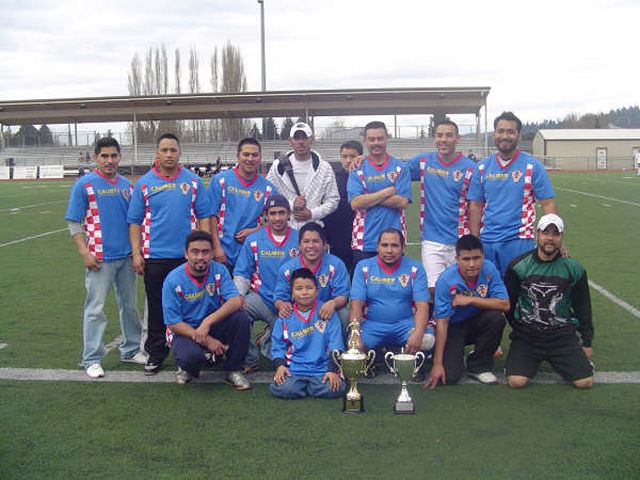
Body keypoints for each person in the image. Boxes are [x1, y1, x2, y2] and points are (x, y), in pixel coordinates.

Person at [127, 133, 212, 375]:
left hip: (187, 258)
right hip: (155, 258)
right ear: (156, 153)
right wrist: (136, 253)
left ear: (180, 152)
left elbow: (204, 215)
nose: (168, 154)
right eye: (164, 150)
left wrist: (204, 251)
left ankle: (196, 348)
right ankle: (156, 353)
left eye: (172, 150)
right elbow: (134, 221)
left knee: (195, 304)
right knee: (157, 308)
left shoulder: (193, 182)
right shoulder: (144, 183)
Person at [65, 137, 145, 378]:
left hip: (126, 258)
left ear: (120, 157)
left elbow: (135, 222)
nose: (109, 161)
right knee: (95, 309)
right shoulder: (84, 185)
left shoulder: (127, 186)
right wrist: (84, 252)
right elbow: (73, 222)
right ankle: (91, 358)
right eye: (104, 156)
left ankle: (130, 350)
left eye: (113, 156)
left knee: (129, 307)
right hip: (99, 259)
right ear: (96, 157)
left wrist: (136, 252)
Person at [503, 214, 594, 389]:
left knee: (585, 382)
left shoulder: (574, 269)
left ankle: (570, 360)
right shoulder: (519, 266)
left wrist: (587, 342)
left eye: (555, 234)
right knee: (517, 381)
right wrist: (519, 327)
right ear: (537, 235)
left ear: (562, 237)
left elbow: (583, 307)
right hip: (528, 335)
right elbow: (509, 304)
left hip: (561, 335)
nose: (550, 238)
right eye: (545, 233)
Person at [468, 111, 558, 276]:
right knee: (490, 293)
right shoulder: (482, 167)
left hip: (519, 241)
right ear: (494, 134)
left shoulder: (532, 166)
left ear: (518, 135)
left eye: (510, 131)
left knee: (517, 294)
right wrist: (474, 240)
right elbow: (475, 205)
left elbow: (548, 203)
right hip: (487, 241)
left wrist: (554, 238)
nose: (505, 136)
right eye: (501, 131)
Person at [162, 231, 251, 389]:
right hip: (185, 331)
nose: (200, 257)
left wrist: (207, 323)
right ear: (186, 254)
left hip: (212, 325)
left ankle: (233, 370)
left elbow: (236, 300)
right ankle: (189, 365)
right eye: (195, 252)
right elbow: (173, 323)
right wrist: (207, 340)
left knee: (241, 319)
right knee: (191, 358)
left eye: (205, 252)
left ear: (212, 253)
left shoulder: (219, 270)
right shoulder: (173, 279)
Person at [426, 235, 509, 388]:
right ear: (457, 259)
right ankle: (441, 356)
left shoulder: (489, 269)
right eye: (466, 259)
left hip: (477, 321)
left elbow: (504, 304)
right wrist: (438, 364)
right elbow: (442, 323)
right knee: (450, 377)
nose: (472, 264)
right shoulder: (445, 280)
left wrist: (470, 300)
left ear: (483, 256)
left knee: (496, 318)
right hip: (453, 326)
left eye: (476, 258)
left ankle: (478, 365)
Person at [407, 120, 476, 296]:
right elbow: (393, 169)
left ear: (457, 138)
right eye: (439, 135)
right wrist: (365, 159)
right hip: (431, 239)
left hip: (460, 239)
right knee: (433, 290)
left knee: (460, 290)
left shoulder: (470, 168)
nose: (443, 139)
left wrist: (474, 240)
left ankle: (458, 324)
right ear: (434, 138)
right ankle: (437, 323)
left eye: (448, 135)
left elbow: (476, 206)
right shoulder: (422, 162)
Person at [233, 194, 300, 372]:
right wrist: (237, 298)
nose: (277, 218)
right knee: (237, 312)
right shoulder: (254, 240)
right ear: (266, 216)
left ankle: (267, 339)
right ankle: (249, 359)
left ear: (289, 214)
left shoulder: (300, 239)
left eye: (281, 213)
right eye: (273, 213)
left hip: (291, 303)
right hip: (261, 299)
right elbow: (242, 273)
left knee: (287, 359)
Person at [349, 228, 430, 376]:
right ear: (377, 247)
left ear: (403, 247)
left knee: (427, 339)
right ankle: (385, 356)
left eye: (394, 245)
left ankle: (400, 357)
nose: (389, 250)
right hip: (373, 325)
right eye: (385, 245)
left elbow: (422, 306)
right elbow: (356, 305)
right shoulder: (363, 267)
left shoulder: (415, 268)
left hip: (404, 324)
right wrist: (355, 334)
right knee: (354, 346)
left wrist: (418, 333)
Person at [270, 268, 346, 399]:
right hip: (294, 370)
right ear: (292, 293)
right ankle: (307, 387)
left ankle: (305, 388)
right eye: (299, 288)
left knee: (334, 388)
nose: (304, 293)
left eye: (309, 288)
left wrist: (332, 370)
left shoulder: (326, 312)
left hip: (321, 370)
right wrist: (280, 366)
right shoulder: (285, 314)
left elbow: (336, 343)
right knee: (284, 388)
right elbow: (278, 345)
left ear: (317, 291)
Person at [348, 121, 411, 266]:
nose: (376, 143)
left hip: (394, 241)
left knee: (393, 286)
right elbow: (355, 203)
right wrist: (387, 191)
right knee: (365, 286)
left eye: (380, 138)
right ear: (365, 140)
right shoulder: (357, 167)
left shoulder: (400, 168)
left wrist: (368, 196)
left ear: (387, 138)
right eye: (371, 139)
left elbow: (402, 202)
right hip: (363, 240)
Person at [208, 138, 277, 269]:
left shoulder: (268, 188)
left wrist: (255, 231)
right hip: (222, 254)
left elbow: (276, 222)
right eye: (246, 154)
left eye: (255, 155)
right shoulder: (220, 181)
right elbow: (210, 216)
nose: (250, 158)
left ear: (260, 158)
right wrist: (216, 247)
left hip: (252, 256)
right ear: (238, 156)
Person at [273, 222, 350, 329]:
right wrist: (282, 305)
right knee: (281, 317)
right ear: (299, 245)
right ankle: (270, 340)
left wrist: (333, 303)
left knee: (344, 315)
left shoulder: (336, 264)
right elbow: (279, 297)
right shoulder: (287, 269)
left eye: (316, 241)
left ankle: (342, 345)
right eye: (306, 241)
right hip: (298, 312)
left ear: (324, 244)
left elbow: (343, 296)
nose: (311, 246)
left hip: (325, 311)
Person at [266, 122, 339, 230]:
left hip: (313, 230)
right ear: (290, 141)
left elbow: (333, 200)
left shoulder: (324, 168)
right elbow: (268, 194)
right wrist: (290, 205)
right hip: (284, 229)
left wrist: (312, 213)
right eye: (296, 138)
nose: (300, 142)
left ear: (312, 140)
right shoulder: (278, 166)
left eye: (304, 138)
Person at [323, 140, 362, 273]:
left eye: (352, 156)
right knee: (338, 279)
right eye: (344, 156)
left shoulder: (367, 176)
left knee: (358, 278)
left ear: (360, 157)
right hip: (338, 239)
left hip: (361, 239)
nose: (348, 160)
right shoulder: (333, 178)